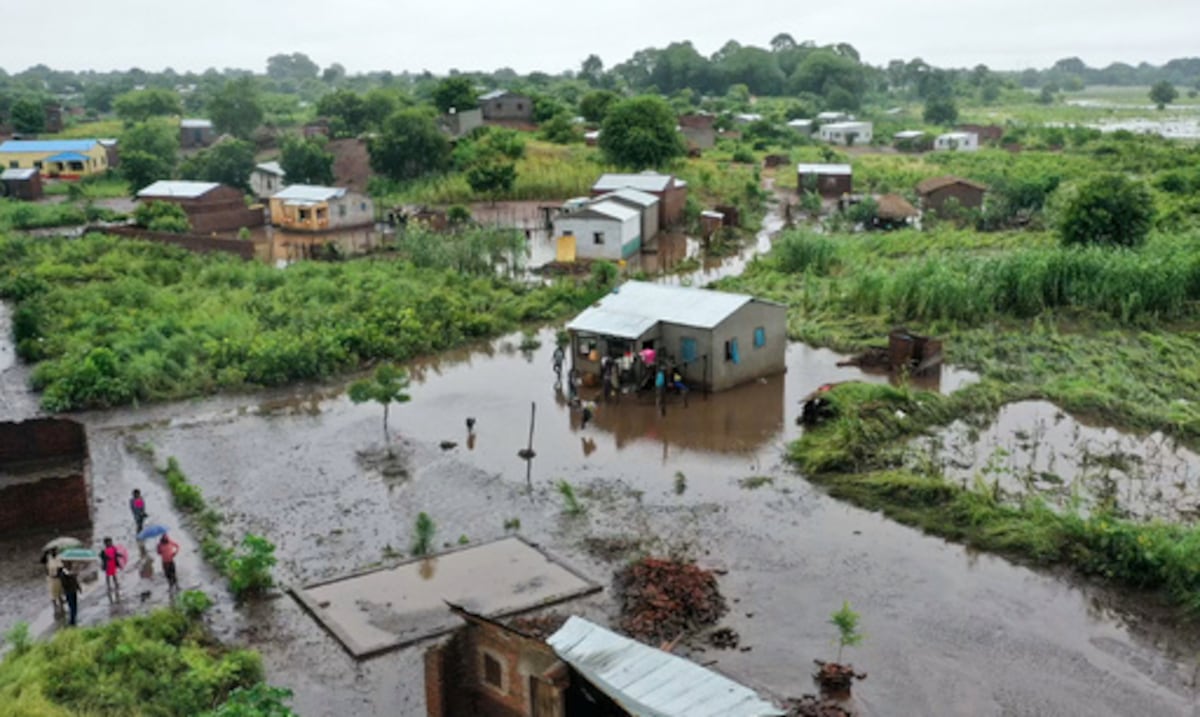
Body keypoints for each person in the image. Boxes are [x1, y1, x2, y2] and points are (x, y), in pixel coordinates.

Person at [43, 548, 64, 616]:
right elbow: (42, 561)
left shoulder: (59, 558)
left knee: (59, 593)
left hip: (58, 578)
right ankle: (55, 608)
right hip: (51, 578)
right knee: (52, 594)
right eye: (52, 551)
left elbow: (61, 568)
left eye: (54, 551)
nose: (53, 552)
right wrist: (45, 554)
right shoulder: (48, 558)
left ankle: (61, 607)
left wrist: (58, 573)